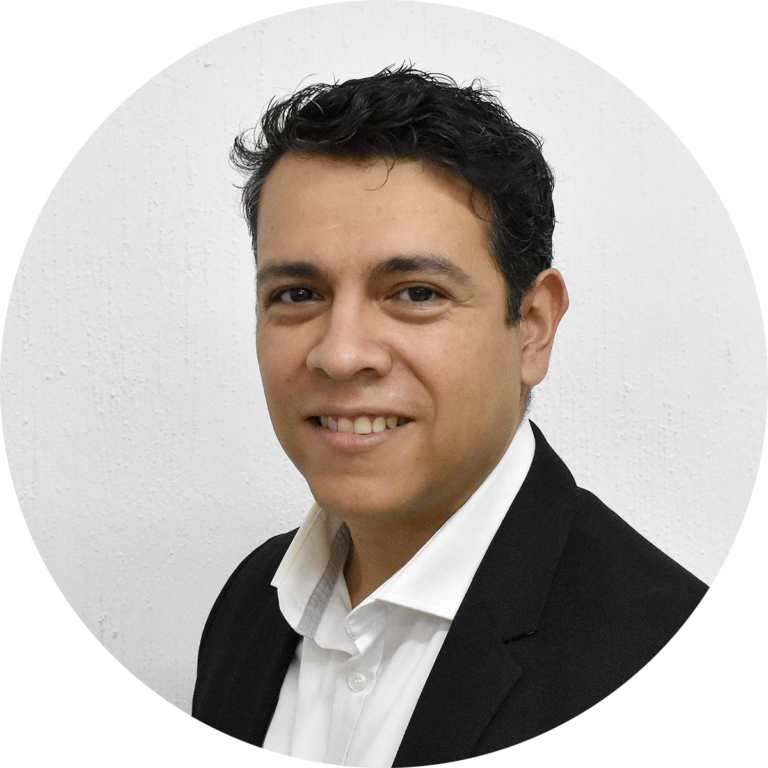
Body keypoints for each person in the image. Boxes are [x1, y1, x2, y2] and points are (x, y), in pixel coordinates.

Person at [191, 66, 708, 764]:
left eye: (416, 292)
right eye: (297, 294)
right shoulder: (252, 602)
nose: (340, 354)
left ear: (532, 327)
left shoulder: (650, 640)